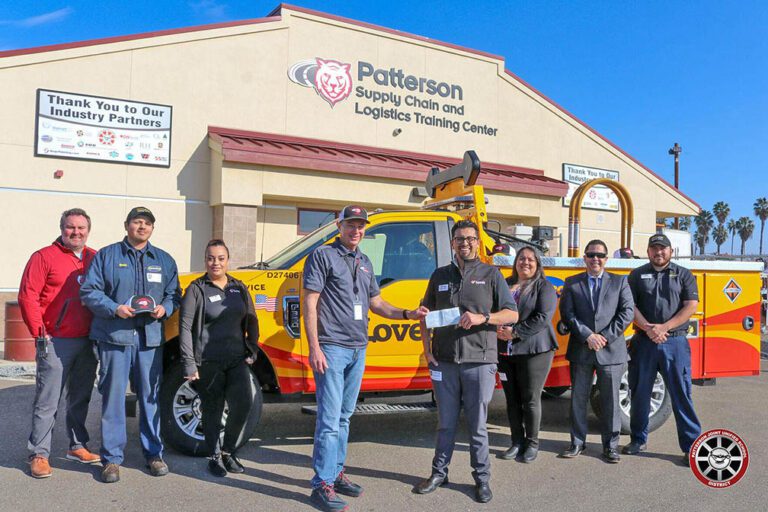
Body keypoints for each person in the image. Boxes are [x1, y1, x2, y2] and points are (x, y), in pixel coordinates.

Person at [303, 205, 427, 512]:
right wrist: (315, 347)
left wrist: (408, 314)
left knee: (344, 417)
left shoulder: (365, 261)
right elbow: (310, 303)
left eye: (361, 226)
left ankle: (336, 473)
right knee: (329, 421)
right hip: (332, 348)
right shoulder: (322, 256)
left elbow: (377, 304)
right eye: (351, 224)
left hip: (359, 348)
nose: (356, 230)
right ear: (339, 226)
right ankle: (321, 485)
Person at [414, 220, 518, 504]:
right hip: (445, 362)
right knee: (445, 423)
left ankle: (482, 479)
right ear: (452, 243)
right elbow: (425, 314)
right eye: (460, 239)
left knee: (477, 425)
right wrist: (428, 351)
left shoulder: (491, 274)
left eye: (470, 238)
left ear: (477, 242)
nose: (465, 243)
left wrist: (483, 318)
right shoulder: (440, 275)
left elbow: (512, 314)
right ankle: (439, 473)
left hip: (479, 362)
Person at [81, 206, 180, 483]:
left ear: (152, 228)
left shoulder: (164, 260)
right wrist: (115, 308)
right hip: (115, 337)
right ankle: (112, 459)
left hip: (150, 339)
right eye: (137, 222)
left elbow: (174, 293)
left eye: (147, 223)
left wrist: (165, 308)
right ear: (127, 225)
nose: (142, 226)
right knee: (113, 398)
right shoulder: (107, 256)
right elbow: (89, 291)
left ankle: (154, 454)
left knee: (150, 397)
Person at [18, 208, 100, 478]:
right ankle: (39, 454)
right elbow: (28, 296)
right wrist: (40, 333)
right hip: (56, 340)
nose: (76, 232)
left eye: (81, 228)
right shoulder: (43, 257)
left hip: (88, 340)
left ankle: (77, 446)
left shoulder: (95, 258)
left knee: (80, 397)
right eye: (70, 227)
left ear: (88, 230)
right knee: (47, 400)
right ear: (62, 228)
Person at [179, 239, 259, 477]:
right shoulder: (196, 289)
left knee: (244, 403)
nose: (216, 263)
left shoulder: (238, 287)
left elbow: (252, 319)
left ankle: (228, 451)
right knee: (212, 410)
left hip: (236, 359)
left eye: (221, 258)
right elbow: (185, 328)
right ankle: (214, 456)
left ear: (228, 260)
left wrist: (252, 348)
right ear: (205, 260)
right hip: (208, 361)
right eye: (211, 258)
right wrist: (189, 363)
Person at [623, 234, 701, 465]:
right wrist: (649, 329)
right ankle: (638, 440)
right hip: (644, 342)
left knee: (681, 395)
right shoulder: (637, 275)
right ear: (648, 251)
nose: (659, 252)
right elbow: (630, 306)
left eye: (663, 248)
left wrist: (664, 328)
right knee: (639, 393)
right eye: (654, 248)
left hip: (674, 342)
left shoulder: (684, 274)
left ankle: (691, 447)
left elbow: (691, 306)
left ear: (671, 251)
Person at [558, 240, 633, 463]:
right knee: (578, 399)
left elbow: (627, 313)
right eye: (591, 255)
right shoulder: (572, 283)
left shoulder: (620, 282)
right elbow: (567, 314)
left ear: (606, 258)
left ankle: (611, 446)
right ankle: (577, 442)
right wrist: (588, 336)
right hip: (581, 349)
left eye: (600, 255)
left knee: (611, 401)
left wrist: (604, 337)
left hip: (611, 351)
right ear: (585, 258)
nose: (595, 259)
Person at [496, 246, 558, 463]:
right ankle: (516, 442)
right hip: (505, 351)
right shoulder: (504, 283)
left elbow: (543, 317)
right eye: (521, 258)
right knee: (511, 399)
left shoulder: (544, 286)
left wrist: (514, 332)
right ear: (515, 262)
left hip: (534, 350)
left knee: (530, 399)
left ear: (537, 264)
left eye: (531, 259)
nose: (525, 262)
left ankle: (532, 444)